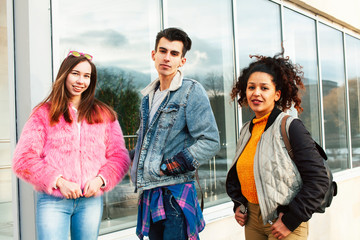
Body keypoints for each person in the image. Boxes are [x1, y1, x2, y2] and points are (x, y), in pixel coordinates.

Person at [12, 51, 130, 240]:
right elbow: (23, 159)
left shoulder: (104, 114)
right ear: (64, 74)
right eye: (75, 73)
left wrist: (100, 179)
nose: (80, 81)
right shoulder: (44, 113)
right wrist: (59, 181)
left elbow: (120, 156)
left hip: (90, 201)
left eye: (86, 76)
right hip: (53, 201)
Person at [225, 52, 330, 240]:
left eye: (264, 88)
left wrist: (292, 220)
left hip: (284, 221)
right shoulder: (246, 130)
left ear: (277, 94)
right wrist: (238, 205)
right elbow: (244, 173)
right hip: (252, 220)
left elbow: (318, 179)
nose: (256, 93)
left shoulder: (290, 127)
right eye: (251, 87)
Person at [130, 27, 220, 240]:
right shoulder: (148, 97)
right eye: (163, 51)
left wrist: (169, 166)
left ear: (182, 61)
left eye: (174, 53)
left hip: (174, 194)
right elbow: (148, 145)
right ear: (153, 55)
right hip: (150, 193)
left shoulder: (191, 91)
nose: (167, 58)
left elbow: (211, 141)